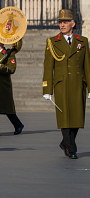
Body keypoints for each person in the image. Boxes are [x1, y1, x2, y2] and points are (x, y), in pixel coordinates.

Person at [43, 9, 90, 159]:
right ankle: (71, 148)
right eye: (60, 22)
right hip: (61, 84)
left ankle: (65, 142)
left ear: (72, 24)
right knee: (64, 117)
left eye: (65, 22)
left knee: (76, 117)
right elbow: (48, 67)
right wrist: (47, 88)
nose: (62, 25)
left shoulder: (83, 41)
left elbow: (87, 66)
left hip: (78, 84)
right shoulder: (52, 42)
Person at [0, 37, 24, 135]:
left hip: (2, 85)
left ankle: (18, 125)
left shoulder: (9, 54)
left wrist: (1, 67)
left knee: (7, 108)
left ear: (0, 43)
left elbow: (11, 69)